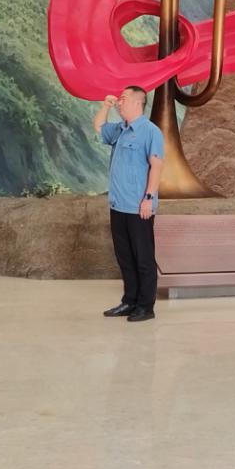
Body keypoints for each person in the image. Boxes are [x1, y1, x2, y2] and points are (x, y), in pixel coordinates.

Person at [94, 86, 164, 322]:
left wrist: (148, 198)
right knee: (124, 256)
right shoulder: (120, 130)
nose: (119, 102)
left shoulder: (150, 132)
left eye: (123, 99)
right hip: (118, 205)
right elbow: (99, 127)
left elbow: (156, 167)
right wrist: (105, 106)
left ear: (137, 102)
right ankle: (129, 301)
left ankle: (146, 306)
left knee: (143, 257)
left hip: (138, 207)